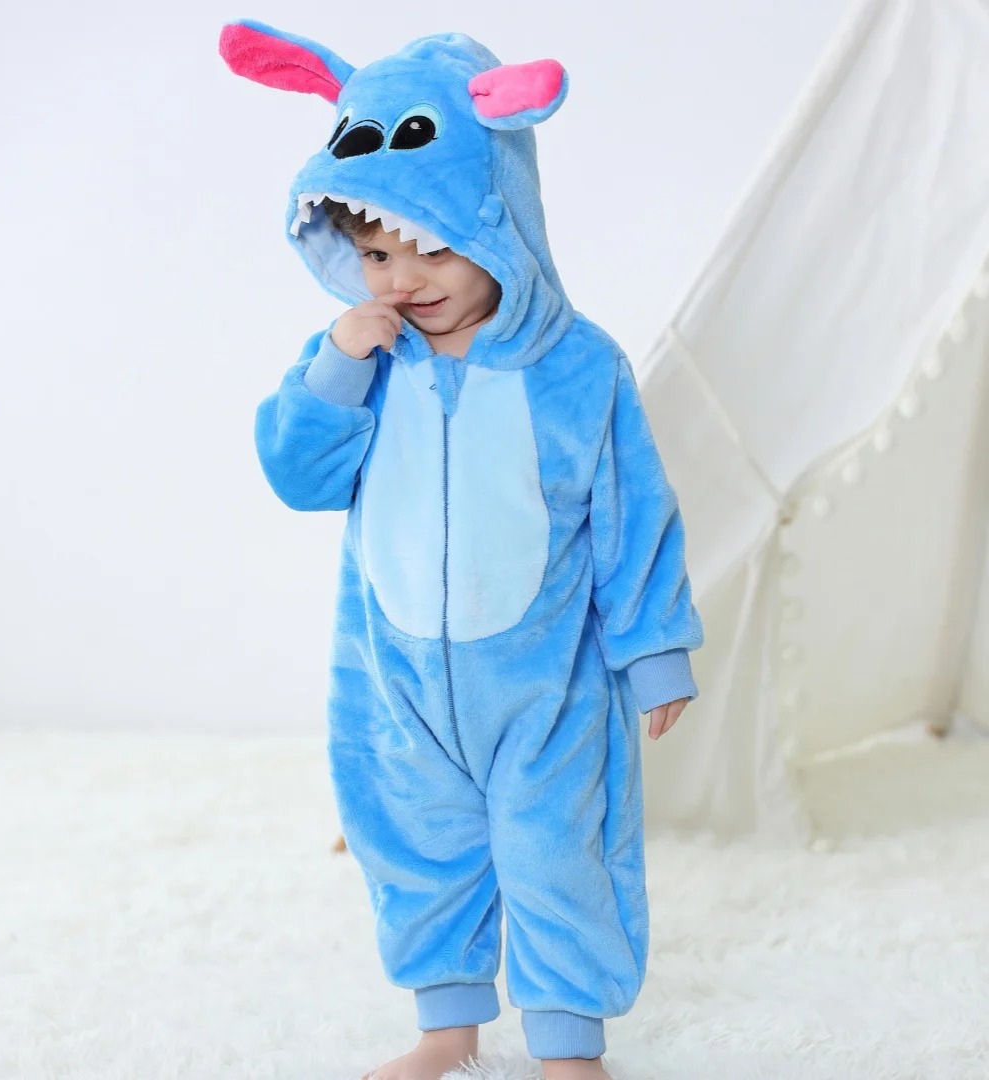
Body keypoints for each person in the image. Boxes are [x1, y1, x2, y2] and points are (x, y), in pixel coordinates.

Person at [220, 21, 704, 1080]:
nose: (404, 279)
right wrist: (338, 365)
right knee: (417, 843)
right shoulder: (360, 357)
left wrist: (654, 647)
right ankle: (445, 1030)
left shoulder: (577, 367)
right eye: (377, 254)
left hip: (545, 682)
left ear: (502, 218)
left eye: (435, 247)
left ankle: (568, 1043)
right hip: (397, 676)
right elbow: (298, 476)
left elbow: (631, 508)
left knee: (557, 849)